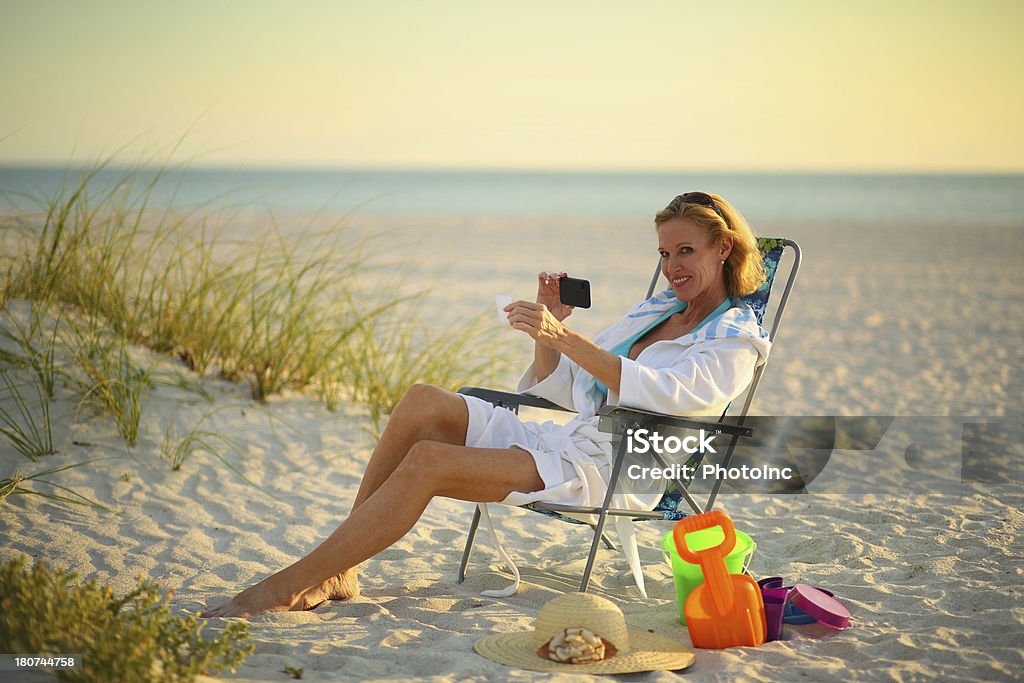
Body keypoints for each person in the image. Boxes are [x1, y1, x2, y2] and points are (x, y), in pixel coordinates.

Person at [201, 191, 771, 618]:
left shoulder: (735, 341)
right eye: (666, 252)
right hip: (573, 442)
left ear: (724, 248)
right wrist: (550, 336)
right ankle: (341, 571)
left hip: (617, 468)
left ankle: (290, 584)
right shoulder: (655, 311)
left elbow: (667, 396)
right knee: (423, 402)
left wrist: (567, 339)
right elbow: (570, 388)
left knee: (428, 460)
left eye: (686, 252)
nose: (673, 268)